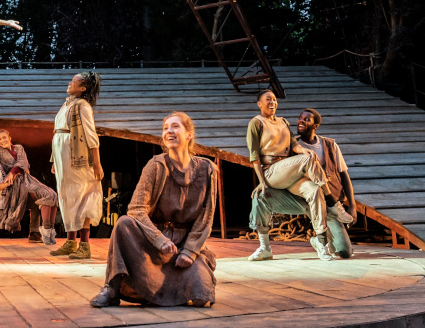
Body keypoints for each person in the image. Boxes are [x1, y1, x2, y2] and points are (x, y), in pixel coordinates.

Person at [91, 112, 218, 308]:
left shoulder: (208, 169)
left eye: (175, 126)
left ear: (189, 134)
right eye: (165, 128)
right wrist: (159, 240)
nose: (169, 131)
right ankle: (112, 287)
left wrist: (190, 252)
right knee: (124, 223)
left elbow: (206, 217)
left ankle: (161, 288)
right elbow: (136, 209)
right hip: (155, 242)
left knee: (201, 297)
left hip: (184, 243)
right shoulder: (156, 166)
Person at [245, 90, 353, 262]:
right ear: (259, 104)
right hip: (271, 170)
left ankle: (321, 244)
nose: (272, 102)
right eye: (268, 99)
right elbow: (254, 156)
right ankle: (333, 203)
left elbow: (294, 145)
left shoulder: (284, 122)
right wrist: (262, 181)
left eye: (274, 99)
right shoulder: (256, 123)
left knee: (315, 190)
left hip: (287, 173)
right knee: (305, 160)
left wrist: (305, 151)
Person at [50, 72, 104, 260]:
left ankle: (84, 245)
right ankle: (70, 242)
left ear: (82, 88)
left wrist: (97, 164)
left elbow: (91, 135)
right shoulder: (67, 104)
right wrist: (54, 159)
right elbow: (57, 130)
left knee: (83, 195)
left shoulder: (83, 106)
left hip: (76, 156)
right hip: (63, 156)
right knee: (67, 196)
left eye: (74, 81)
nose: (70, 83)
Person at [0, 129, 58, 245]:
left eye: (4, 137)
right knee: (35, 202)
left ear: (9, 137)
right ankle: (42, 233)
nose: (3, 140)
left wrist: (12, 172)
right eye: (0, 139)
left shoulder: (19, 148)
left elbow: (23, 163)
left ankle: (44, 231)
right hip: (14, 185)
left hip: (27, 179)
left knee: (51, 194)